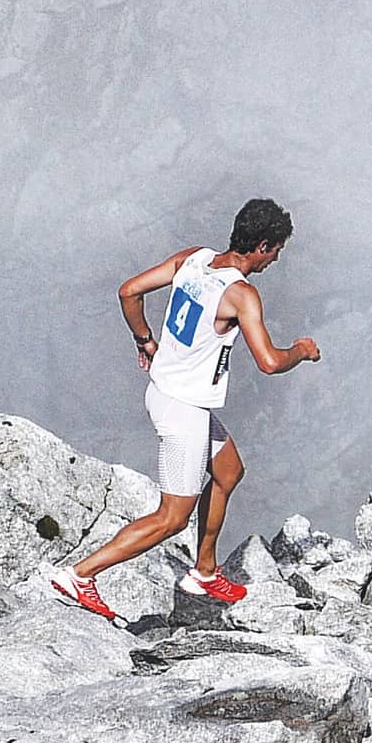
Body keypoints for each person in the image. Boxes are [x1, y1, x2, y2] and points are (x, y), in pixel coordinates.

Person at [50, 197, 320, 625]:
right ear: (263, 246)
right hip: (185, 410)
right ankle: (80, 575)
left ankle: (204, 571)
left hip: (165, 390)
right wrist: (301, 351)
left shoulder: (194, 259)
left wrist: (144, 340)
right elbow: (269, 362)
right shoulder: (241, 294)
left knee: (229, 471)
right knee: (172, 518)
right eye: (278, 250)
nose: (276, 259)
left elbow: (128, 291)